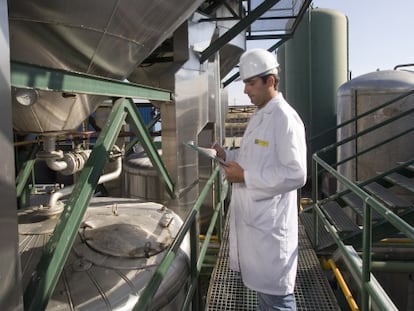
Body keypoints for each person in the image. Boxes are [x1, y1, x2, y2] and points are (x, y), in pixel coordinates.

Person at [214, 48, 307, 310]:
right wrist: (227, 153)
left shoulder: (284, 118)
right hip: (256, 225)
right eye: (244, 83)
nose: (245, 90)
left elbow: (297, 173)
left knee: (278, 301)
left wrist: (245, 176)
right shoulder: (260, 115)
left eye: (251, 83)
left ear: (271, 81)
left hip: (270, 231)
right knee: (266, 299)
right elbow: (253, 154)